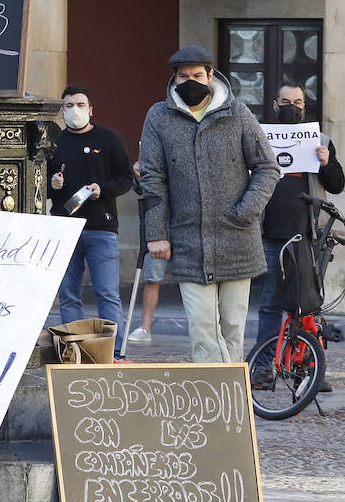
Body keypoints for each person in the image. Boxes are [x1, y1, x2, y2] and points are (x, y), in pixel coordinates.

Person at [138, 46, 279, 363]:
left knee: (232, 329)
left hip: (236, 239)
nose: (191, 81)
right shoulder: (159, 117)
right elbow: (152, 177)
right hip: (188, 240)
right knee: (202, 332)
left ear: (211, 76)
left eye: (197, 75)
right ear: (174, 78)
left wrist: (245, 212)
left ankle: (232, 404)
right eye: (184, 76)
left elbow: (267, 167)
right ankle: (216, 403)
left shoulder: (237, 113)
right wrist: (156, 233)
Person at [257, 82, 345, 342]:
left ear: (304, 106)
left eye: (297, 102)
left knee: (307, 304)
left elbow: (338, 184)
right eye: (286, 102)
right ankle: (265, 367)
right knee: (269, 303)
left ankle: (306, 364)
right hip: (270, 234)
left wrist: (326, 163)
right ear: (275, 105)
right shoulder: (260, 138)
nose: (292, 107)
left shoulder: (321, 141)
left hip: (308, 236)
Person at [47, 85, 134, 342]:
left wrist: (102, 188)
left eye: (80, 105)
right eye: (69, 106)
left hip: (101, 227)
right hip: (65, 229)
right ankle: (75, 346)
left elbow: (126, 178)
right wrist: (51, 185)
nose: (75, 110)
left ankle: (114, 350)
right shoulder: (53, 142)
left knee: (107, 293)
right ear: (62, 111)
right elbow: (37, 182)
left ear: (91, 109)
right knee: (68, 295)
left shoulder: (108, 139)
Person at [127, 160, 165, 343]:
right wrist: (139, 177)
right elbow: (144, 192)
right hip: (158, 227)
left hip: (185, 226)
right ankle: (145, 328)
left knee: (195, 281)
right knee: (152, 277)